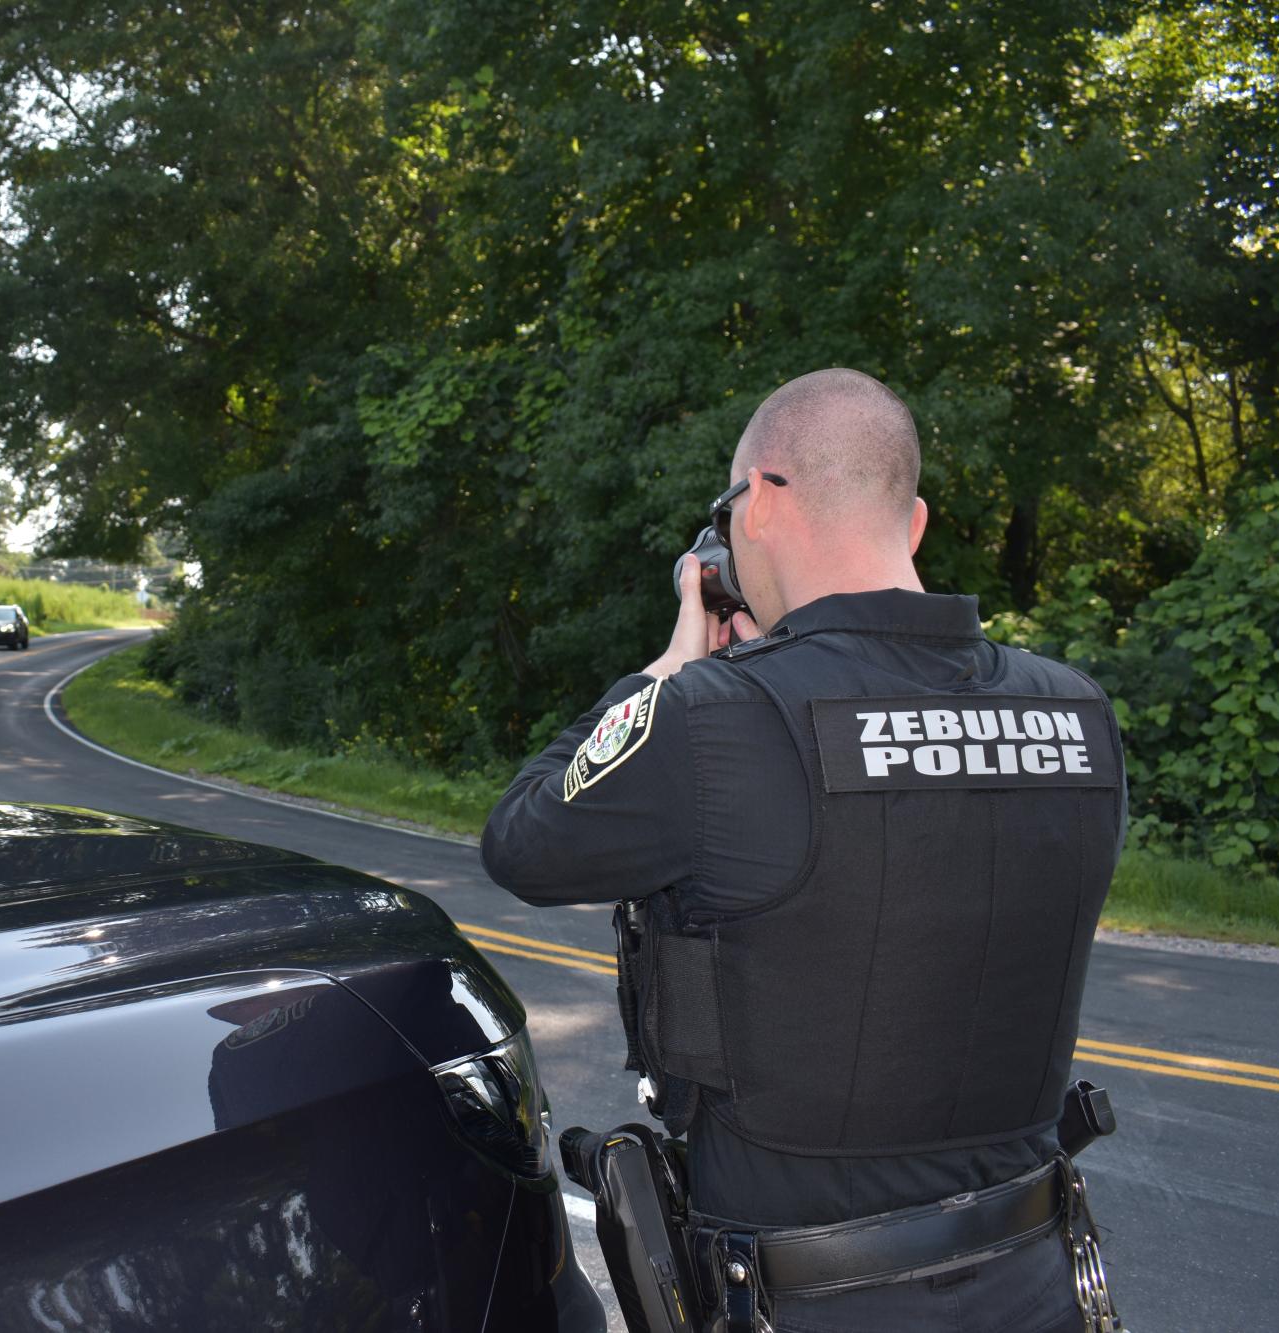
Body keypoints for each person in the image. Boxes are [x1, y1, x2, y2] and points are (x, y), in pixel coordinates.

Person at [482, 368, 1126, 1332]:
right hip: (1038, 1284)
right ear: (911, 524)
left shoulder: (708, 718)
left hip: (800, 1302)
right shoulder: (1079, 711)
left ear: (760, 501)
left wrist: (665, 672)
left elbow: (523, 839)